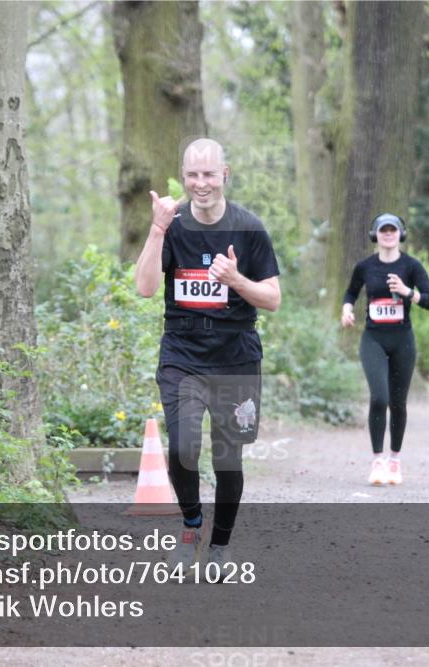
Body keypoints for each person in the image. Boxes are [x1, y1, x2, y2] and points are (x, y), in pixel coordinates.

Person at [134, 138, 281, 570]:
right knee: (181, 447)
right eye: (193, 175)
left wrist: (236, 280)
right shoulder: (173, 224)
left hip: (235, 356)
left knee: (227, 456)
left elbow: (272, 298)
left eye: (209, 174)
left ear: (225, 175)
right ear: (184, 178)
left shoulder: (249, 228)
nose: (201, 184)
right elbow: (144, 288)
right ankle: (191, 524)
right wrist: (157, 229)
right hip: (182, 353)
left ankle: (220, 545)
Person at [341, 213, 429, 486]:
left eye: (393, 230)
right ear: (375, 235)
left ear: (400, 234)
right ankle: (377, 461)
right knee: (379, 397)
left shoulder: (411, 266)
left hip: (403, 340)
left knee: (398, 402)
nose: (388, 234)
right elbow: (350, 293)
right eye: (383, 230)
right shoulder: (365, 266)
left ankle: (394, 461)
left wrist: (408, 292)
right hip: (373, 339)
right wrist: (347, 309)